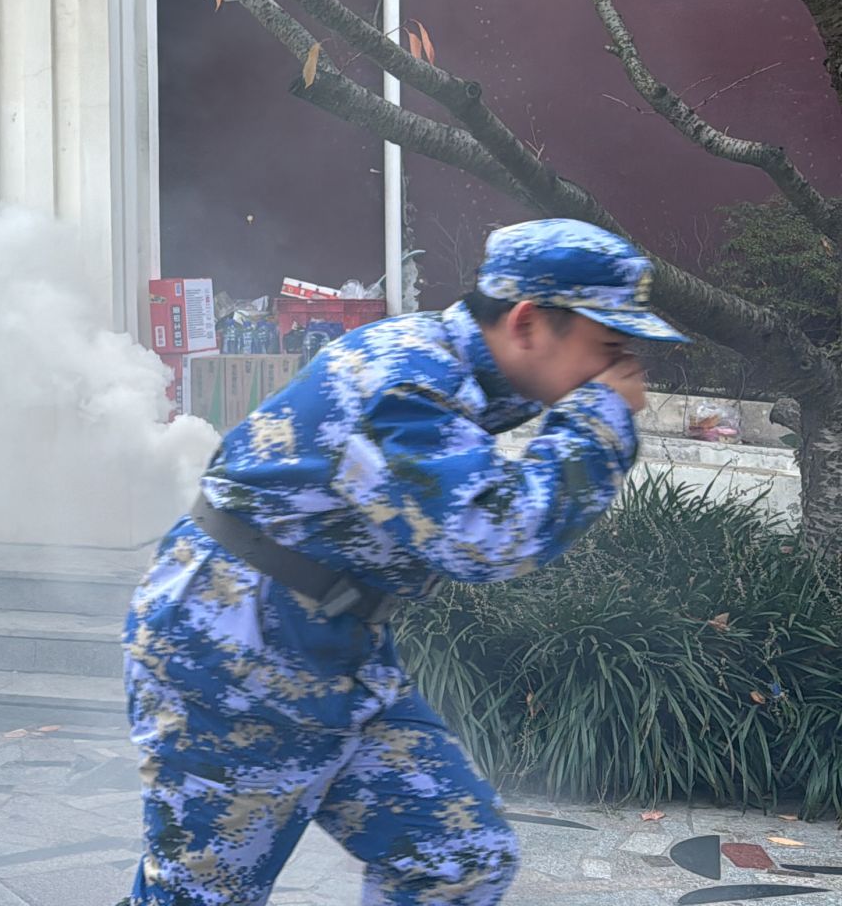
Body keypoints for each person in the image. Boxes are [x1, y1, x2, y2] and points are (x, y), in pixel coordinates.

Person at [123, 218, 683, 906]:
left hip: (341, 645)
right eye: (607, 347)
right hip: (231, 644)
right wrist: (598, 424)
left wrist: (579, 406)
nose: (620, 372)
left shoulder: (469, 372)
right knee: (201, 898)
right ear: (529, 323)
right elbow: (486, 536)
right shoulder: (403, 379)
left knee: (457, 861)